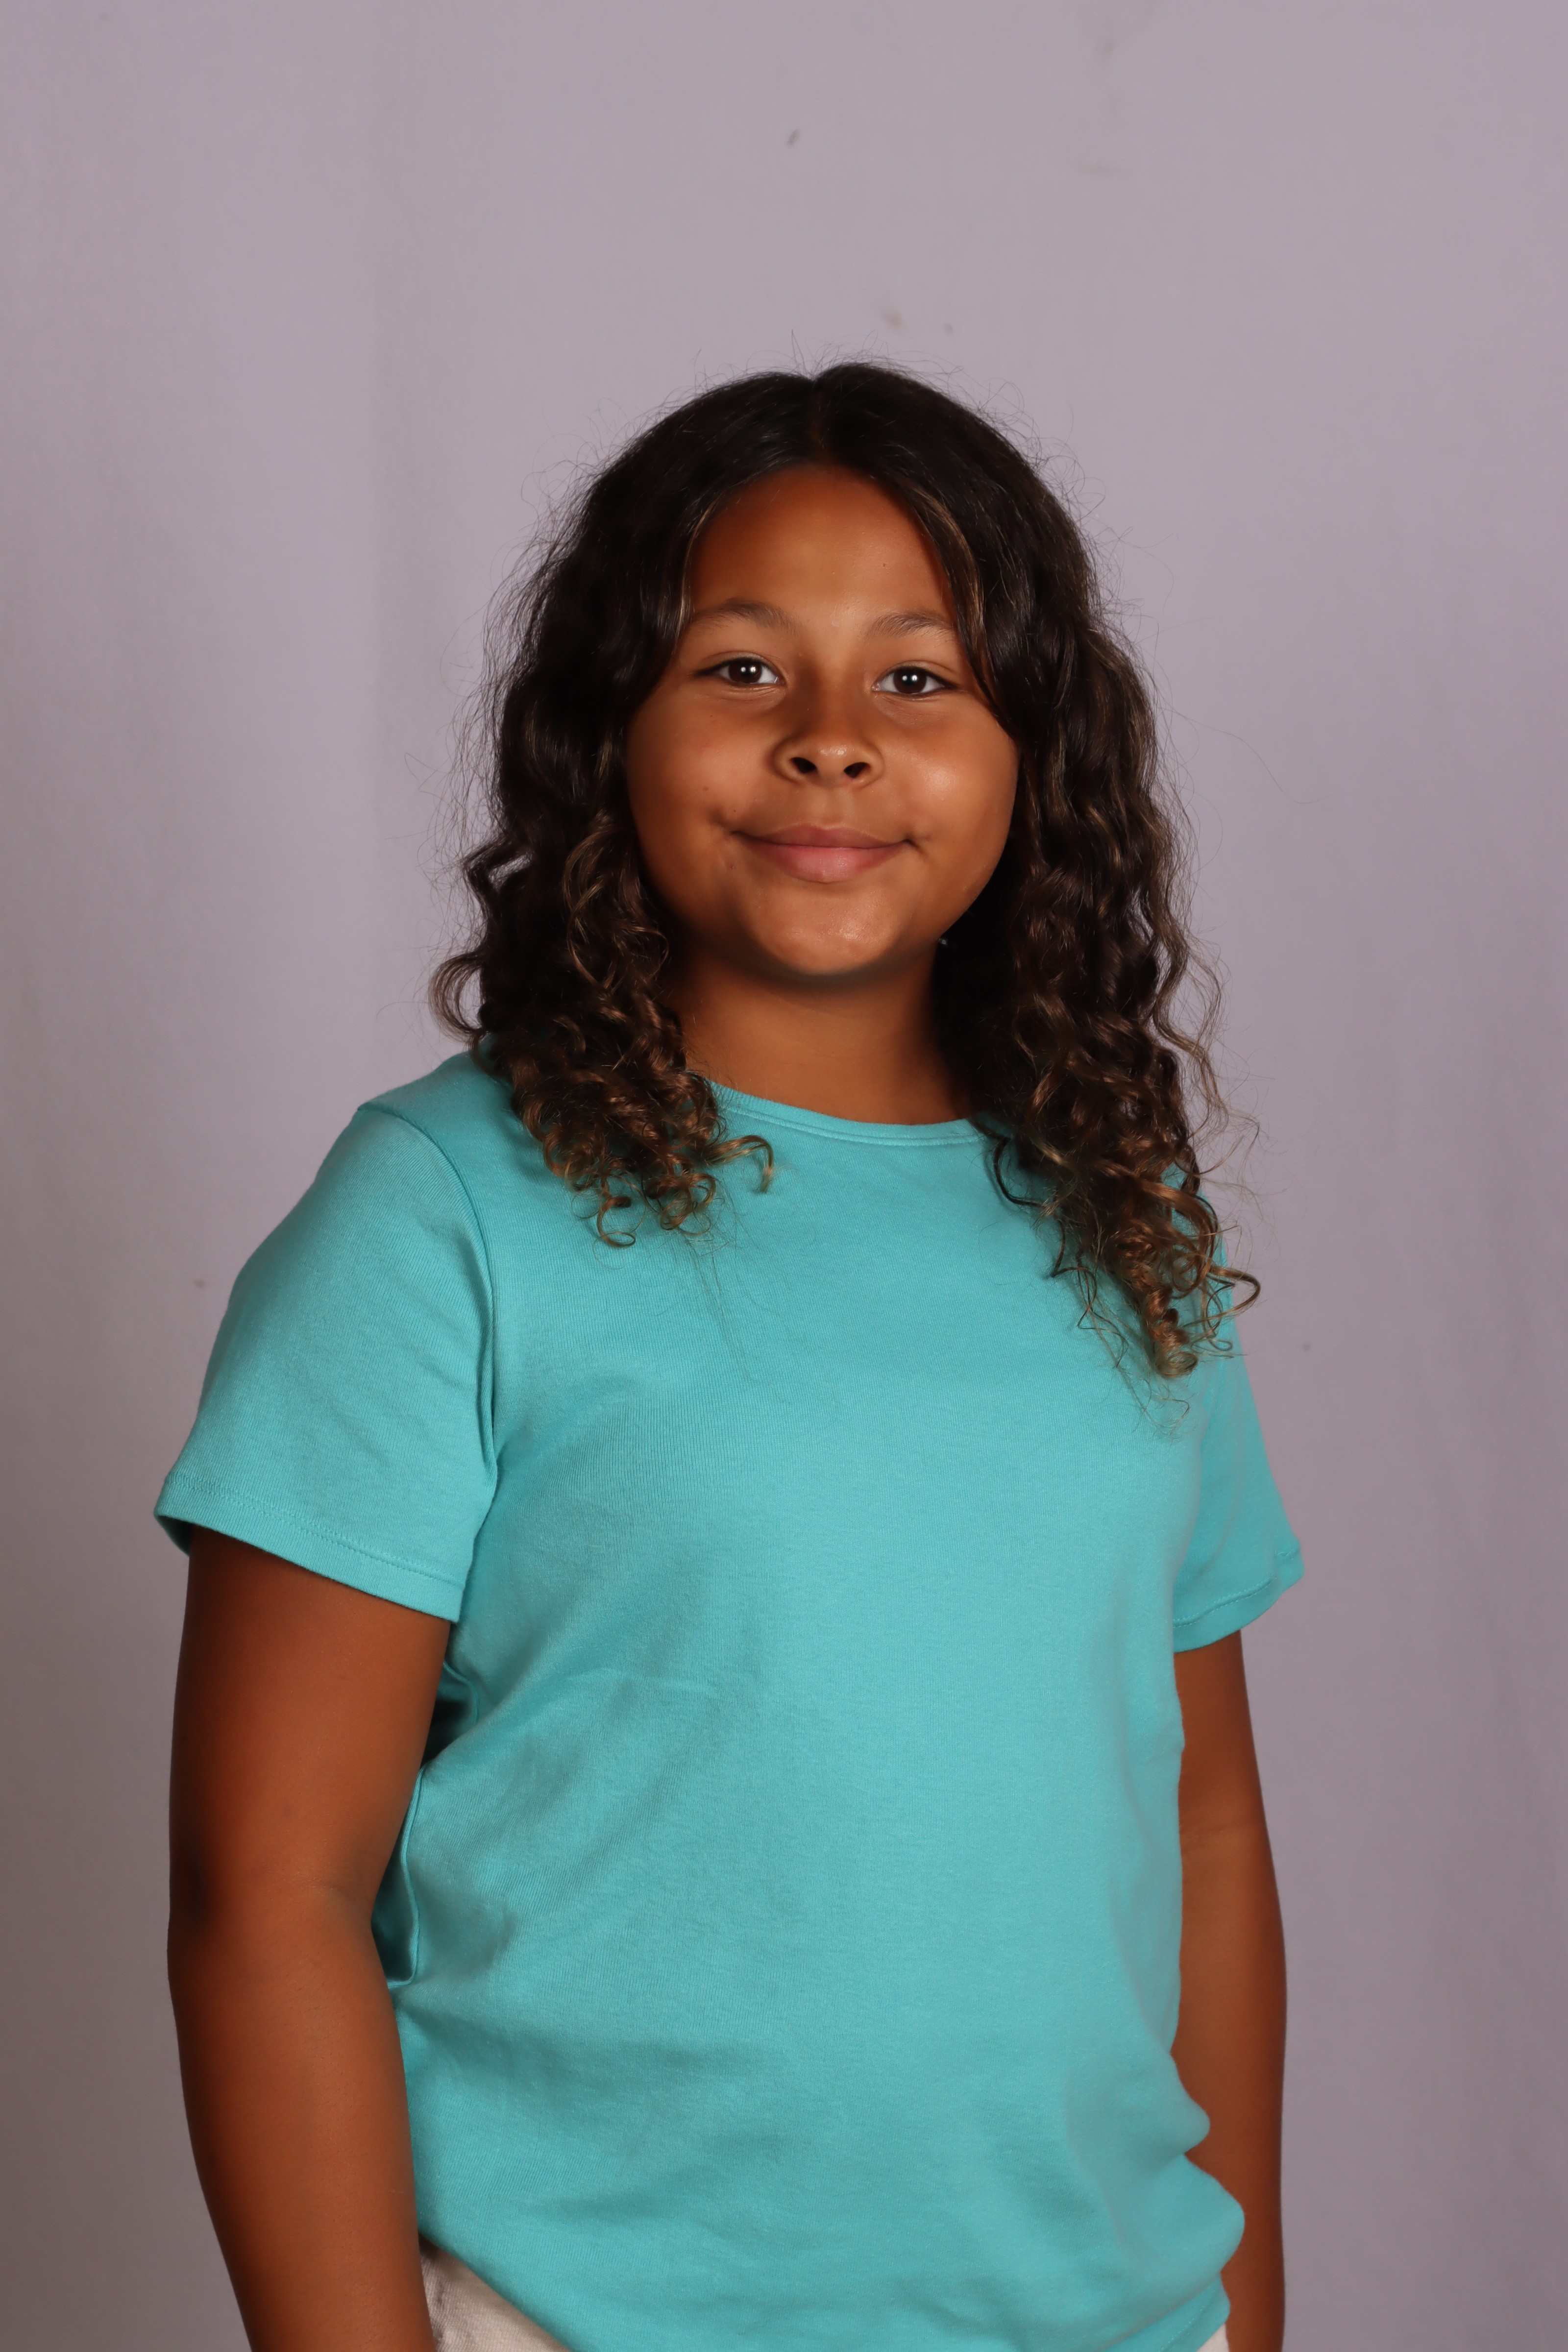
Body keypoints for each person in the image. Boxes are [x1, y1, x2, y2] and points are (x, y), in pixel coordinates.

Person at [159, 361, 1301, 2352]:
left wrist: (1241, 2304)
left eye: (918, 678)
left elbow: (1201, 1813)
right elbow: (267, 1894)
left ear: (1034, 751)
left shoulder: (1118, 1220)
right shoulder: (444, 1215)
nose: (832, 741)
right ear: (609, 731)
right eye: (743, 668)